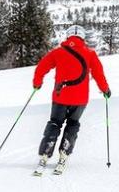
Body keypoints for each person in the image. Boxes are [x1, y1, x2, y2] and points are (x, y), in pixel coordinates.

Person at [32, 25, 111, 174]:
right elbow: (99, 74)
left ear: (68, 37)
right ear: (83, 38)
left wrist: (37, 83)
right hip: (80, 99)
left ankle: (45, 153)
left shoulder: (58, 52)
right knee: (73, 124)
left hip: (60, 96)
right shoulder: (90, 54)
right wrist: (105, 89)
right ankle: (64, 154)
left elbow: (41, 67)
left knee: (55, 123)